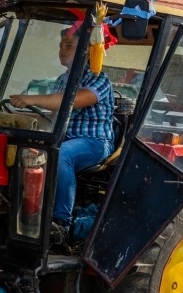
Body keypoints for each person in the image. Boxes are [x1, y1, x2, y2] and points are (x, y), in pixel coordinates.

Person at [9, 27, 115, 244]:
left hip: (94, 142)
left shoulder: (98, 79)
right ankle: (21, 215)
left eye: (68, 45)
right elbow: (56, 116)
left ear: (85, 50)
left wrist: (31, 99)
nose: (62, 50)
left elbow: (71, 101)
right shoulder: (61, 80)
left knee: (61, 155)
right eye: (60, 45)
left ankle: (61, 223)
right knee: (24, 150)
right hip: (63, 137)